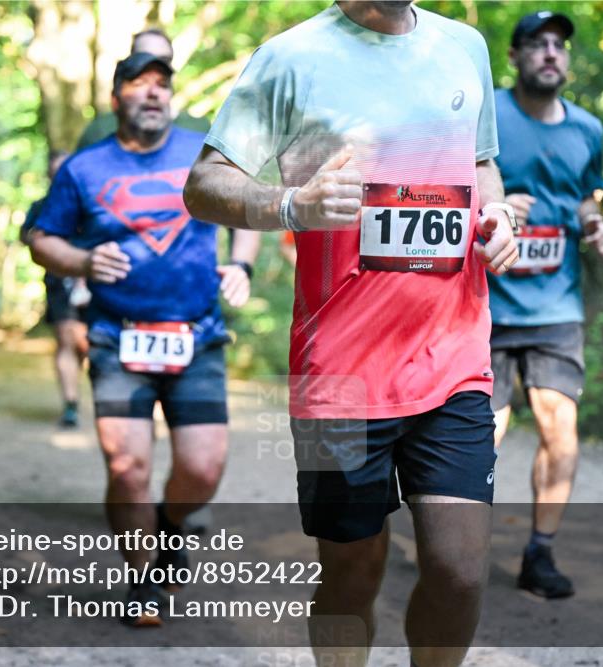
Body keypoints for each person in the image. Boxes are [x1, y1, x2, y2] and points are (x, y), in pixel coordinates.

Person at [184, 3, 519, 665]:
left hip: (452, 357)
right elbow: (204, 184)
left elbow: (481, 166)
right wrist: (288, 204)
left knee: (459, 570)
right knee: (351, 573)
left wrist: (499, 213)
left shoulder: (465, 47)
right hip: (339, 374)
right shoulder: (293, 57)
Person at [29, 51, 260, 626]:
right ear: (116, 100)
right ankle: (143, 578)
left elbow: (248, 207)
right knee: (127, 465)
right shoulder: (83, 169)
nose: (154, 93)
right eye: (139, 84)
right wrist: (81, 260)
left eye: (163, 84)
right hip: (116, 337)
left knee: (203, 470)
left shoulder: (201, 151)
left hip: (198, 334)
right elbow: (41, 238)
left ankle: (170, 525)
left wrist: (243, 267)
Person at [486, 11, 603, 599]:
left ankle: (539, 554)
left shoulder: (588, 129)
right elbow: (452, 185)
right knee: (482, 433)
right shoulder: (487, 114)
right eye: (536, 44)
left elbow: (587, 199)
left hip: (555, 306)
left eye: (558, 45)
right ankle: (457, 546)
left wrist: (595, 225)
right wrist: (492, 206)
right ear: (514, 57)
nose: (549, 53)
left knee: (560, 426)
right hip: (483, 301)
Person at [21, 149, 89, 428]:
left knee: (85, 343)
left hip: (96, 280)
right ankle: (71, 402)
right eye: (55, 170)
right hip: (59, 281)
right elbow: (26, 237)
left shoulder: (91, 201)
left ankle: (81, 384)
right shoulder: (41, 206)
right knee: (66, 337)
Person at [75, 28, 209, 150]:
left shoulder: (199, 129)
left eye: (164, 60)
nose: (154, 68)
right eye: (144, 58)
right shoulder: (99, 131)